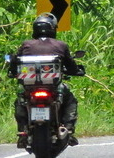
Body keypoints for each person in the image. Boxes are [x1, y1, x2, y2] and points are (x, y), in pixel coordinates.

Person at [10, 13, 81, 148]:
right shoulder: (60, 45)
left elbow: (14, 62)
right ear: (53, 28)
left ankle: (23, 132)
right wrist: (76, 70)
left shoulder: (26, 44)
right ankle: (68, 129)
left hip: (30, 86)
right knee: (70, 100)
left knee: (20, 101)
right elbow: (71, 65)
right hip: (53, 86)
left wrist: (12, 72)